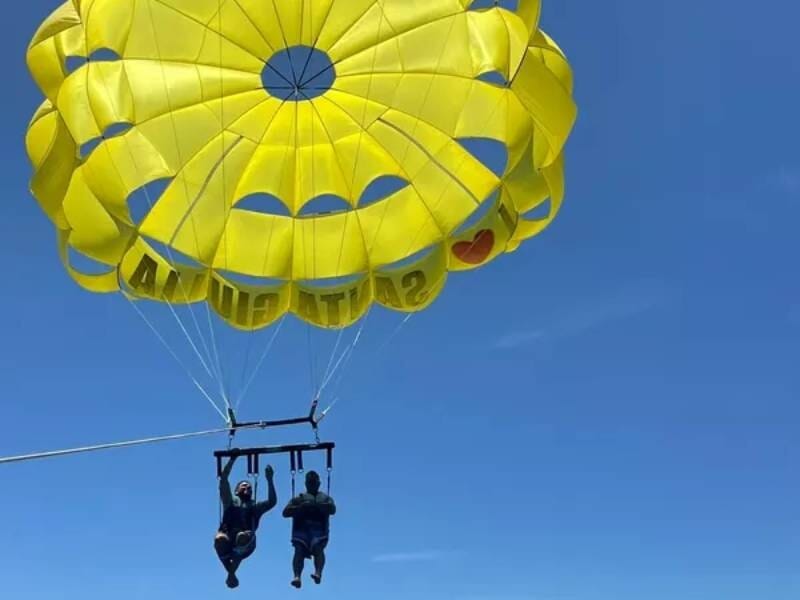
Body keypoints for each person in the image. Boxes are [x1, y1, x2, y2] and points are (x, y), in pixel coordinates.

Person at [215, 457, 277, 589]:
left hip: (246, 542)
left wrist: (270, 480)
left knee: (241, 537)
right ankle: (231, 573)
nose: (248, 487)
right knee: (219, 539)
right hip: (228, 538)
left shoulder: (254, 506)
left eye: (250, 487)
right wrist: (232, 459)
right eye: (244, 486)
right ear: (236, 491)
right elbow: (224, 479)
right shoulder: (230, 501)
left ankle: (231, 573)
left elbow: (272, 502)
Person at [283, 471, 336, 589]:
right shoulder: (299, 498)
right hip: (301, 530)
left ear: (319, 483)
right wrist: (300, 507)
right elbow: (285, 512)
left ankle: (318, 572)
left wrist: (318, 506)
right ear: (306, 483)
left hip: (318, 530)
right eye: (309, 482)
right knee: (299, 551)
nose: (312, 484)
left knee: (318, 548)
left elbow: (332, 509)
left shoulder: (325, 497)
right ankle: (297, 576)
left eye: (314, 482)